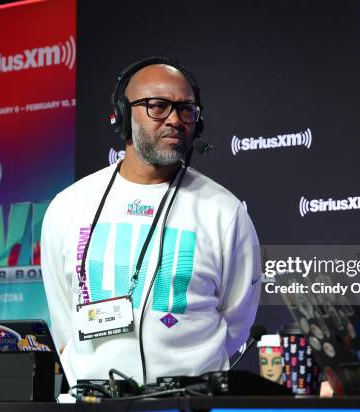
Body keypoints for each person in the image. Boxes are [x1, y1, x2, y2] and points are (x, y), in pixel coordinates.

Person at [40, 57, 261, 386]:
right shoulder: (68, 206)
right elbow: (62, 316)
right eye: (158, 106)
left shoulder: (223, 212)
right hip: (91, 403)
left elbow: (236, 323)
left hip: (188, 404)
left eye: (186, 109)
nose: (175, 119)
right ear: (122, 117)